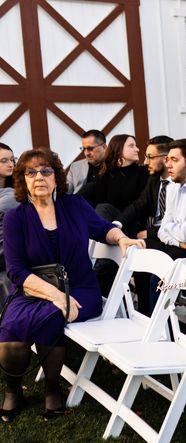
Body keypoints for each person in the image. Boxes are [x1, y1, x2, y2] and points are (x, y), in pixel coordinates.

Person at [0, 147, 143, 422]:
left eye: (46, 170)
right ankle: (13, 389)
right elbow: (16, 270)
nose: (39, 176)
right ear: (23, 180)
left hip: (80, 290)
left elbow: (103, 229)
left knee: (53, 316)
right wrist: (55, 294)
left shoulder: (74, 206)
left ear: (56, 177)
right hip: (33, 290)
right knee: (11, 325)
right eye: (31, 172)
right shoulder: (15, 218)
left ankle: (52, 388)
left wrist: (122, 238)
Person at [116, 135, 173, 240]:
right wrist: (117, 224)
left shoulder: (180, 184)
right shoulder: (154, 179)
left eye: (150, 157)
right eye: (146, 157)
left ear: (166, 158)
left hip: (169, 235)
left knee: (131, 249)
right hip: (148, 229)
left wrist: (150, 233)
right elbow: (139, 205)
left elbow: (180, 223)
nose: (145, 162)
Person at [93, 134, 149, 220]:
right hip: (112, 222)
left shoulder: (144, 172)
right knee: (102, 208)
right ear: (118, 149)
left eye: (136, 146)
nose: (137, 149)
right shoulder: (104, 174)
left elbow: (143, 203)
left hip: (135, 220)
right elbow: (100, 205)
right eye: (131, 146)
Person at [67, 129, 107, 195]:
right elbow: (66, 194)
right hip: (79, 204)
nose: (86, 153)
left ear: (104, 147)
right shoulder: (75, 167)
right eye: (84, 149)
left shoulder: (115, 165)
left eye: (90, 149)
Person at [0, 144, 18, 274]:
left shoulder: (13, 194)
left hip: (7, 251)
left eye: (12, 159)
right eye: (4, 161)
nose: (10, 164)